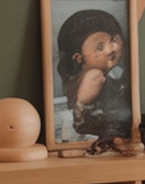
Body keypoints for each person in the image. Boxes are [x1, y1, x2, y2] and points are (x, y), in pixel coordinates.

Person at [56, 8, 132, 145]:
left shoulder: (121, 71)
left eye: (113, 41)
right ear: (79, 59)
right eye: (100, 47)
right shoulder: (93, 78)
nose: (110, 50)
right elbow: (84, 119)